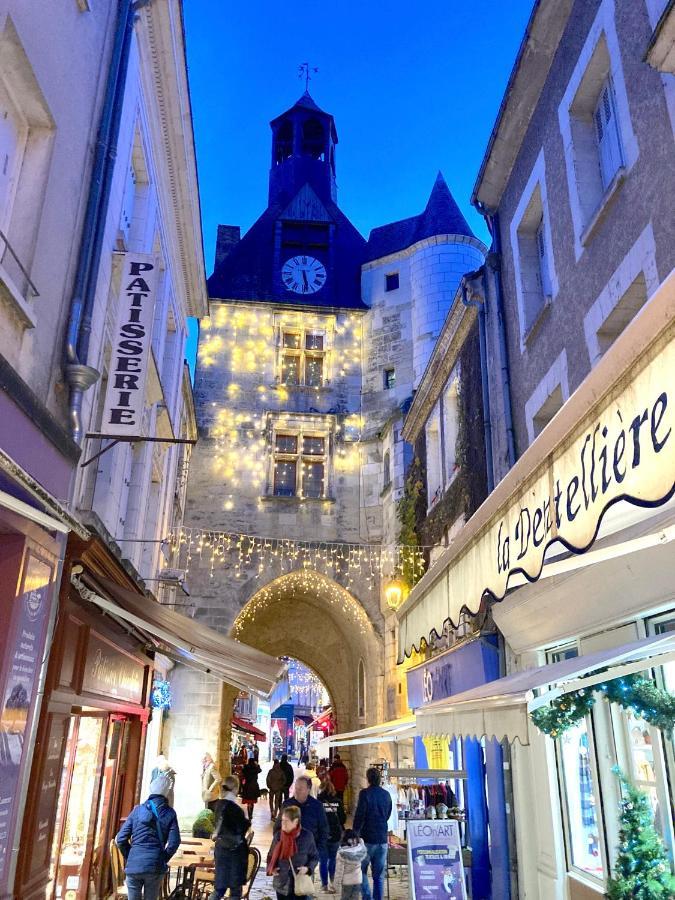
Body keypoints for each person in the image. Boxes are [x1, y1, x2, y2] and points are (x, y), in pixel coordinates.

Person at [115, 773, 180, 900]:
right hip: (155, 866)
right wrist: (162, 858)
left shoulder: (137, 811)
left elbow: (121, 839)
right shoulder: (170, 813)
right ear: (166, 792)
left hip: (134, 866)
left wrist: (131, 856)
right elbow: (174, 842)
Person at [353, 768, 392, 900]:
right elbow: (388, 814)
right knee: (379, 875)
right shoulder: (386, 795)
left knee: (361, 870)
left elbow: (360, 815)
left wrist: (355, 833)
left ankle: (367, 896)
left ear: (368, 778)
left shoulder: (365, 794)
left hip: (368, 838)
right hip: (382, 838)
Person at [208, 775, 250, 900]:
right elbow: (241, 829)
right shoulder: (236, 809)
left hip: (221, 851)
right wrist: (247, 821)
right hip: (235, 854)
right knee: (235, 891)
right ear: (236, 789)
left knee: (219, 889)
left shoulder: (218, 805)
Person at [267, 805, 319, 899]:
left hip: (300, 883)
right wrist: (272, 868)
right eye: (282, 820)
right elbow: (270, 855)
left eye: (286, 821)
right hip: (282, 883)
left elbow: (314, 857)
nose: (283, 823)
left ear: (295, 821)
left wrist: (307, 869)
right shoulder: (278, 836)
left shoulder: (306, 836)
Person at [277, 776, 329, 861]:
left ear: (308, 790)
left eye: (300, 788)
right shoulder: (287, 804)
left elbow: (324, 829)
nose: (297, 791)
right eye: (296, 788)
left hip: (308, 853)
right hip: (288, 854)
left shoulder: (317, 806)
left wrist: (317, 851)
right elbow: (278, 828)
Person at [317, 777, 346, 893]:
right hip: (335, 834)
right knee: (333, 859)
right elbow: (343, 819)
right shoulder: (338, 802)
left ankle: (324, 885)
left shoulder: (318, 803)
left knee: (323, 860)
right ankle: (333, 882)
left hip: (322, 835)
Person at [334, 829, 368, 900]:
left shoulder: (342, 854)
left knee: (345, 898)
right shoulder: (360, 850)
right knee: (355, 898)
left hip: (347, 882)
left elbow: (339, 871)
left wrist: (336, 885)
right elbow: (361, 842)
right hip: (358, 880)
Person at [240, 756, 262, 821]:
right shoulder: (255, 768)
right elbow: (260, 770)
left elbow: (242, 771)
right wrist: (257, 764)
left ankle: (249, 813)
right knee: (252, 801)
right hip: (254, 786)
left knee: (248, 801)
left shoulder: (246, 768)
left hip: (247, 786)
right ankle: (250, 815)